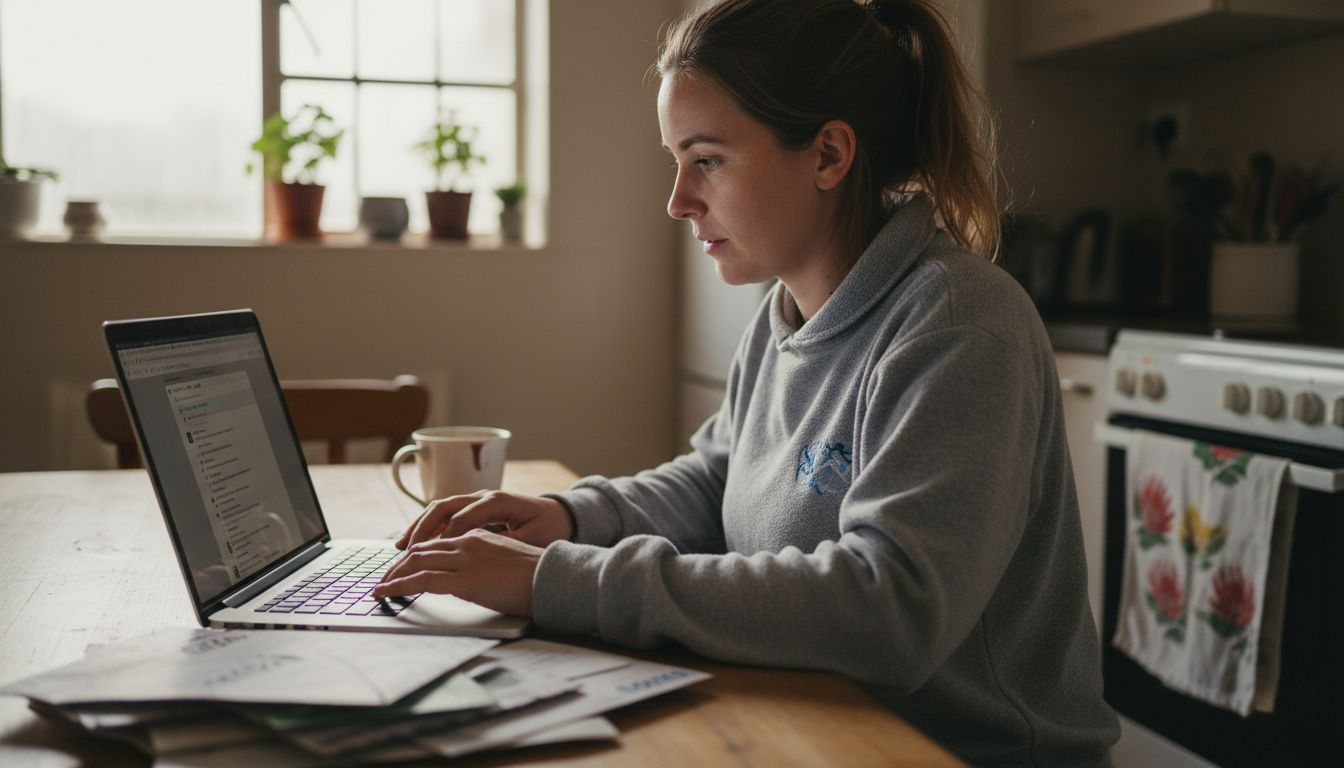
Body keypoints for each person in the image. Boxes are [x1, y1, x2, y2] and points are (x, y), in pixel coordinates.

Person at [375, 0, 1120, 764]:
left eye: (707, 159)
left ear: (829, 155)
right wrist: (566, 518)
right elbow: (716, 480)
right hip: (816, 716)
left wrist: (562, 581)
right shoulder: (785, 311)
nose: (677, 201)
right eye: (676, 160)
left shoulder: (959, 325)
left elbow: (892, 610)